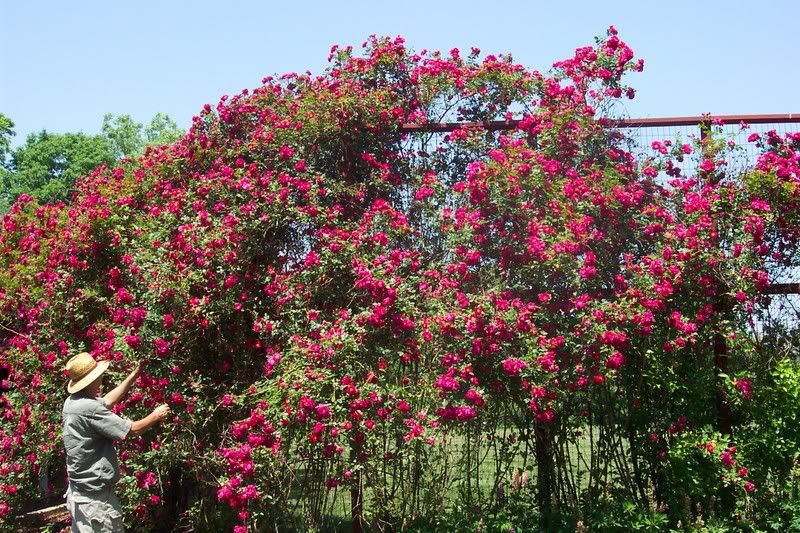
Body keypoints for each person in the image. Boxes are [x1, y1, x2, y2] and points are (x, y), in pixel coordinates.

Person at [62, 352, 171, 532]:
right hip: (96, 502)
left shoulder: (73, 402)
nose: (101, 377)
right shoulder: (88, 408)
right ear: (91, 380)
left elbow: (107, 401)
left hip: (80, 497)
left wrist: (134, 375)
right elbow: (131, 430)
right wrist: (156, 415)